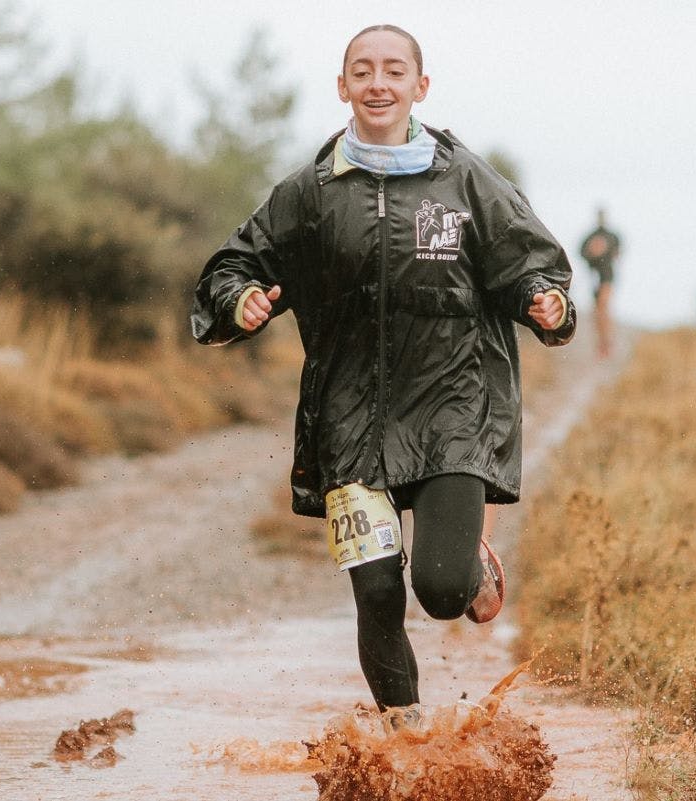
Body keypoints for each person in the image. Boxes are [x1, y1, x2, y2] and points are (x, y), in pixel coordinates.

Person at [191, 25, 575, 717]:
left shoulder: (464, 180)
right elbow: (235, 262)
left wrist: (544, 302)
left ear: (419, 87)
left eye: (394, 71)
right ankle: (408, 741)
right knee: (375, 592)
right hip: (350, 422)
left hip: (454, 413)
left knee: (439, 591)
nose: (378, 83)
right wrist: (238, 300)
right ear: (343, 87)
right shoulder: (311, 191)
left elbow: (530, 263)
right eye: (362, 71)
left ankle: (468, 557)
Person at [579, 207, 620, 358]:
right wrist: (593, 254)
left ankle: (607, 343)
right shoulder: (590, 236)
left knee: (603, 306)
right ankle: (601, 343)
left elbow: (617, 254)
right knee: (597, 311)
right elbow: (582, 253)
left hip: (607, 277)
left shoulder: (612, 236)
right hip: (594, 278)